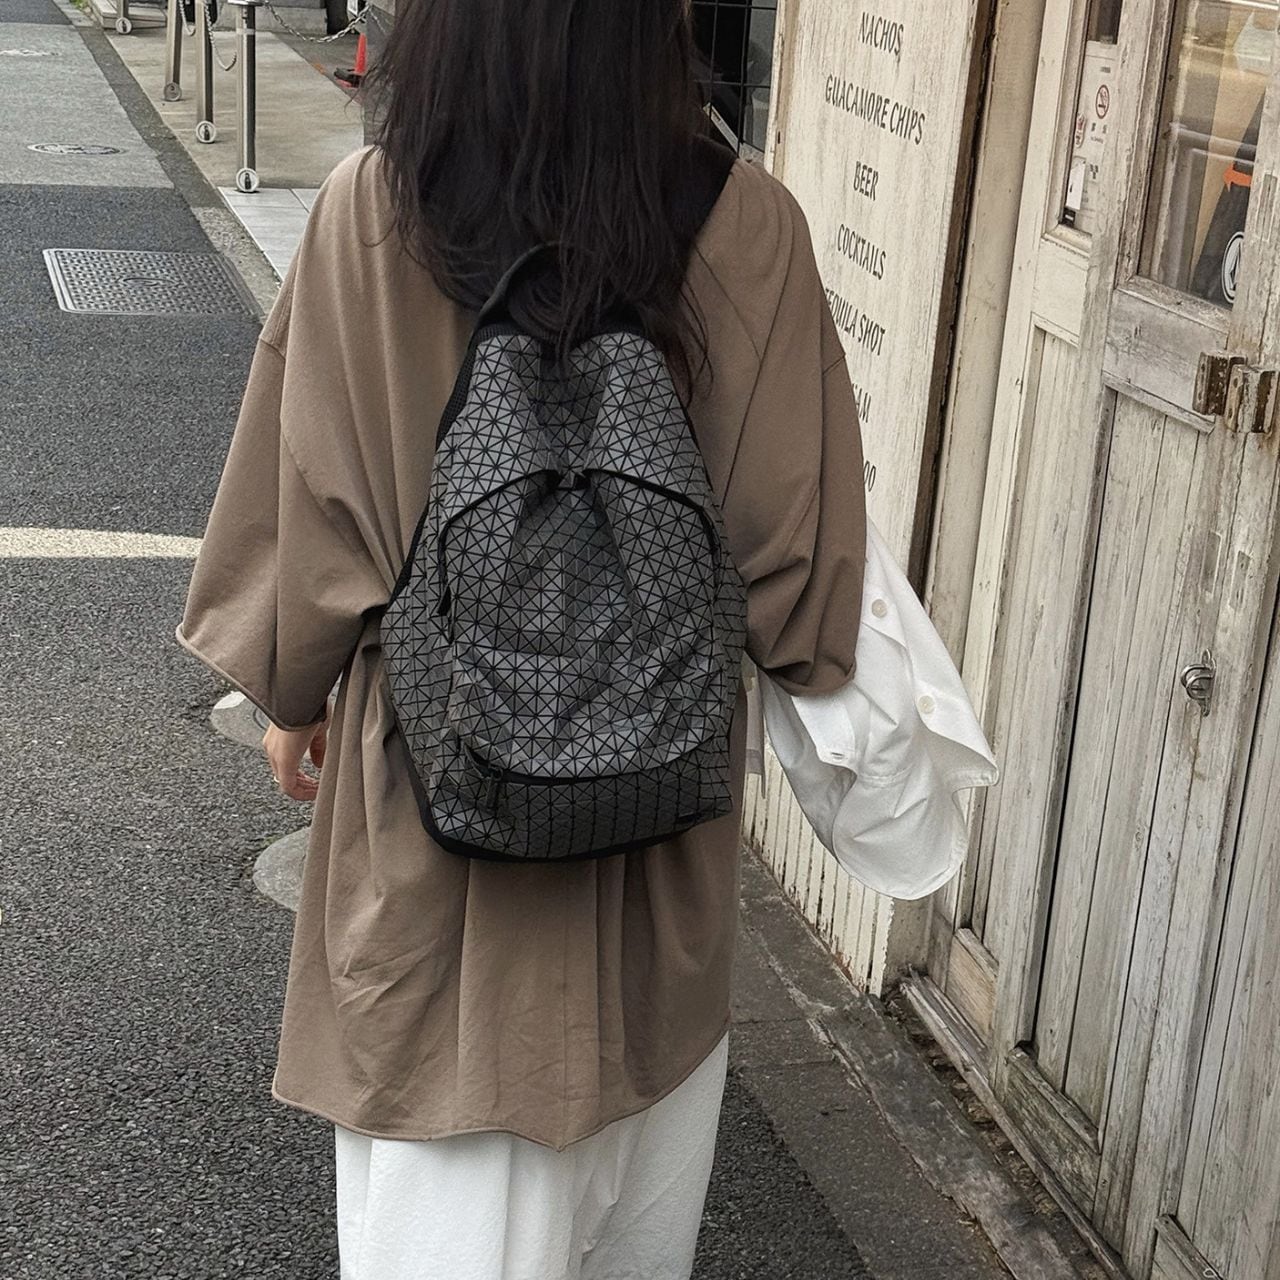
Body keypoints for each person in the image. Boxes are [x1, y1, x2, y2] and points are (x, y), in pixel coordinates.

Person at [177, 0, 866, 1275]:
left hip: (434, 837)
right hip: (655, 864)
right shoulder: (750, 224)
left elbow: (307, 511)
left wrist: (295, 693)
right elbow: (797, 589)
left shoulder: (372, 210)